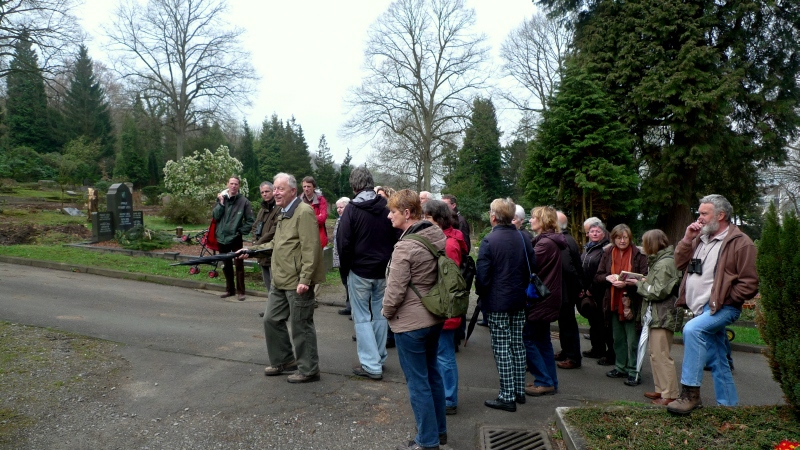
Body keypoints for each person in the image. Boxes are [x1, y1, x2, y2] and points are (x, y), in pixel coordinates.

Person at [667, 195, 758, 415]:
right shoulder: (699, 238)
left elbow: (750, 283)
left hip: (722, 308)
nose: (699, 218)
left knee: (692, 330)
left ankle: (690, 394)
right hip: (700, 308)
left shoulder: (740, 242)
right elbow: (679, 264)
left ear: (720, 215)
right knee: (718, 359)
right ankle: (729, 407)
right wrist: (687, 239)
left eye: (703, 213)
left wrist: (725, 298)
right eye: (699, 213)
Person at [237, 173, 325, 384]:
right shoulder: (283, 212)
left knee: (300, 325)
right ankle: (285, 360)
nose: (275, 192)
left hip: (297, 281)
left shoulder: (303, 212)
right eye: (274, 188)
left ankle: (309, 369)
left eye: (280, 189)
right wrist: (252, 251)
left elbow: (311, 248)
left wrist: (305, 278)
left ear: (293, 191)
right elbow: (276, 243)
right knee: (271, 319)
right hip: (280, 279)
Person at [383, 189, 447, 450]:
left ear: (407, 214)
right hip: (434, 317)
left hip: (411, 324)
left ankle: (427, 441)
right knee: (432, 375)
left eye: (393, 212)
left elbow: (395, 290)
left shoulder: (405, 247)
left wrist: (386, 313)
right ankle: (439, 432)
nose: (389, 216)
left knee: (418, 382)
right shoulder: (436, 234)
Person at [337, 167, 398, 380]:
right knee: (380, 315)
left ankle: (371, 365)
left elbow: (343, 243)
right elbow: (398, 235)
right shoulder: (388, 207)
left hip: (360, 270)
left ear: (354, 186)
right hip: (384, 270)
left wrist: (345, 270)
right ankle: (378, 357)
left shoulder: (352, 210)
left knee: (362, 318)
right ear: (371, 183)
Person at [476, 198, 534, 412]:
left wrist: (481, 293)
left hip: (498, 301)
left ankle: (507, 395)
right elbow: (532, 266)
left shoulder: (490, 240)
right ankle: (518, 391)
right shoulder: (523, 237)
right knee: (517, 344)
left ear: (493, 216)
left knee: (502, 348)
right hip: (519, 299)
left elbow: (482, 275)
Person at [423, 199, 466, 416]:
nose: (424, 221)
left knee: (445, 354)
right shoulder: (443, 238)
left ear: (438, 219)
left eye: (428, 217)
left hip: (445, 307)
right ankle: (443, 395)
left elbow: (448, 280)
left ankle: (449, 398)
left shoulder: (448, 243)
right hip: (439, 306)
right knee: (439, 353)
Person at [634, 229, 684, 405]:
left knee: (661, 354)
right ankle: (660, 389)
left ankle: (670, 393)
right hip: (656, 313)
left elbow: (658, 291)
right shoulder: (659, 262)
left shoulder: (665, 264)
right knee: (654, 353)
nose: (642, 245)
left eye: (644, 242)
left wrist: (640, 285)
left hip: (663, 313)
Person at [595, 224, 648, 386]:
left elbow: (645, 278)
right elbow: (598, 276)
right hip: (612, 300)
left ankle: (634, 371)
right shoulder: (608, 252)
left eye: (625, 237)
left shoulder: (639, 254)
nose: (622, 241)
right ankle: (620, 367)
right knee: (617, 338)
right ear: (614, 238)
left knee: (632, 339)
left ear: (630, 238)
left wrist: (629, 284)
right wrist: (608, 278)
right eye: (619, 237)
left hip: (631, 302)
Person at [525, 206, 565, 397]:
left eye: (533, 217)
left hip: (541, 299)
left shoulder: (545, 244)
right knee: (542, 341)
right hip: (549, 297)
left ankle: (544, 380)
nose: (530, 220)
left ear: (543, 221)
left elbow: (528, 266)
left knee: (528, 339)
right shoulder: (549, 241)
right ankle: (550, 381)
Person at [212, 176, 254, 301]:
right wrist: (220, 203)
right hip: (222, 237)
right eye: (231, 183)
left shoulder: (244, 201)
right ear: (227, 184)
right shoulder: (222, 199)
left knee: (239, 265)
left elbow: (250, 220)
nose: (233, 186)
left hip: (235, 238)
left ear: (239, 186)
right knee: (226, 265)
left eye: (236, 184)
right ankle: (229, 290)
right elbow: (215, 216)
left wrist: (240, 232)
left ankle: (241, 291)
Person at [579, 218, 613, 363]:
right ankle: (596, 349)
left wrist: (591, 289)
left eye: (597, 231)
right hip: (586, 290)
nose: (594, 233)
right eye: (591, 231)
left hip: (600, 292)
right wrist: (581, 288)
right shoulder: (587, 248)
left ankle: (607, 352)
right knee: (593, 322)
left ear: (603, 234)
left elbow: (603, 271)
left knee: (603, 323)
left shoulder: (606, 249)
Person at [554, 211, 584, 370]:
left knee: (568, 323)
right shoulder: (568, 239)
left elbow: (568, 267)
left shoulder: (563, 241)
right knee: (565, 322)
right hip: (566, 288)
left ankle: (573, 357)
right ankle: (567, 351)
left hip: (565, 289)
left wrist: (577, 287)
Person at [253, 181, 281, 318]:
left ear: (273, 191)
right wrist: (255, 241)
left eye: (267, 191)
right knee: (268, 284)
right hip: (261, 252)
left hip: (272, 251)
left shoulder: (279, 208)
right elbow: (255, 226)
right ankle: (271, 310)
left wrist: (259, 243)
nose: (265, 194)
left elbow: (275, 230)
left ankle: (276, 311)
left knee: (275, 285)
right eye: (262, 192)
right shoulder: (262, 209)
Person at [333, 197, 352, 316]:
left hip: (347, 258)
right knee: (345, 283)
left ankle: (353, 309)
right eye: (337, 208)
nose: (339, 210)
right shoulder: (339, 220)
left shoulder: (349, 220)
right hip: (340, 258)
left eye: (341, 207)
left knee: (351, 284)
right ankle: (349, 306)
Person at [300, 176, 328, 248]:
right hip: (303, 236)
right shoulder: (298, 201)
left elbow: (323, 218)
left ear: (314, 187)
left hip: (318, 235)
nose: (306, 189)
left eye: (309, 186)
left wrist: (306, 218)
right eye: (304, 186)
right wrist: (316, 217)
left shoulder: (321, 200)